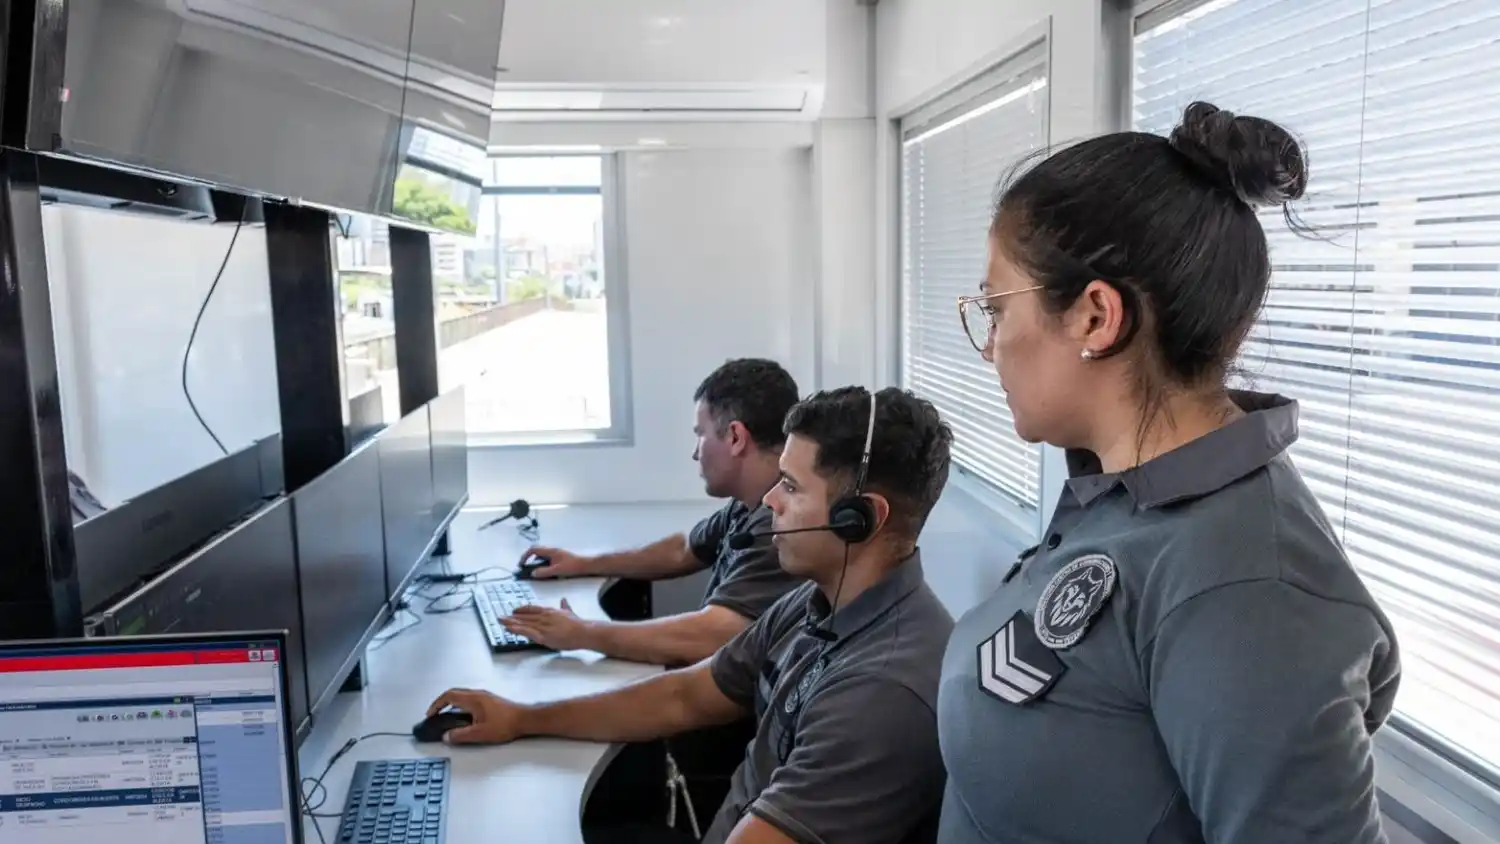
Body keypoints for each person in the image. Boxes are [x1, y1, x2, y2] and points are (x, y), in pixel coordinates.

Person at [937, 101, 1401, 843]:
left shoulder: (1247, 590)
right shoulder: (1117, 496)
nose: (990, 346)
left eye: (996, 309)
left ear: (1095, 316)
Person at [428, 386, 956, 844]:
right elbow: (687, 694)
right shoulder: (816, 599)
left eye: (791, 487)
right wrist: (522, 717)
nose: (769, 499)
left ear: (859, 519)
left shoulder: (883, 691)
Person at [500, 357, 803, 666]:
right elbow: (683, 550)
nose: (696, 452)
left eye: (701, 434)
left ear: (735, 437)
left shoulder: (782, 522)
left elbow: (714, 635)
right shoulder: (749, 501)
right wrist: (583, 563)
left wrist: (583, 632)